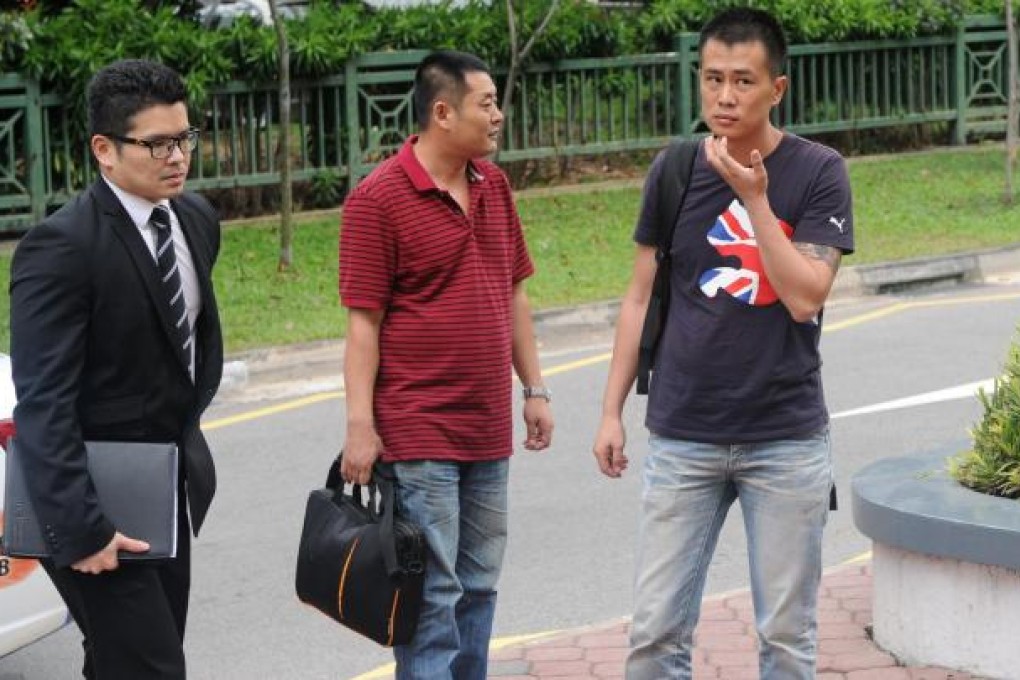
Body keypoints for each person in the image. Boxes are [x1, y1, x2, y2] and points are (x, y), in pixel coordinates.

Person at [592, 8, 854, 679]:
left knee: (787, 641)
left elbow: (805, 296)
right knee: (654, 636)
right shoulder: (675, 169)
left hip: (786, 438)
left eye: (743, 80)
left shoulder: (818, 172)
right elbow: (639, 297)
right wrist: (610, 411)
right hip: (684, 434)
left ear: (777, 88)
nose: (725, 96)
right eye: (713, 79)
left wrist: (755, 199)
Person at [338, 50, 554, 679]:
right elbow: (363, 325)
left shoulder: (494, 185)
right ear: (442, 112)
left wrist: (534, 388)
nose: (498, 115)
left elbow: (514, 292)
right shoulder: (377, 200)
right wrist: (360, 425)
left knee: (479, 586)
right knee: (433, 596)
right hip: (419, 430)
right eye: (486, 104)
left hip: (487, 429)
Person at [9, 59, 223, 679]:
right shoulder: (61, 247)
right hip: (91, 500)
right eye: (157, 144)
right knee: (154, 668)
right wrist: (82, 529)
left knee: (120, 662)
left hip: (166, 488)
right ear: (104, 149)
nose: (177, 157)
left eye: (185, 137)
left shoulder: (195, 219)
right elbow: (42, 401)